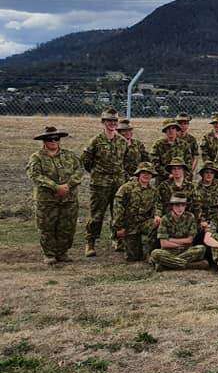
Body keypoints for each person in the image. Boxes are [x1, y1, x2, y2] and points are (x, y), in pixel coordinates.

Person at [27, 125, 83, 265]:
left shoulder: (69, 155)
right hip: (47, 200)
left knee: (67, 227)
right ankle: (50, 254)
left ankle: (62, 252)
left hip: (68, 199)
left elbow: (79, 171)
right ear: (44, 141)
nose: (53, 141)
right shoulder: (37, 157)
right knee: (47, 227)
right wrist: (55, 187)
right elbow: (35, 175)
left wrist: (68, 185)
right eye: (49, 139)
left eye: (56, 138)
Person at [81, 108, 127, 256]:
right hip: (100, 184)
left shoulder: (122, 141)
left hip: (118, 183)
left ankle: (117, 240)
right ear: (103, 122)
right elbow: (86, 161)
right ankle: (90, 243)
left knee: (118, 213)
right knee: (96, 215)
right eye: (109, 121)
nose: (112, 123)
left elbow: (125, 161)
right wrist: (98, 173)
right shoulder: (95, 141)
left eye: (115, 121)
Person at [112, 162, 162, 262]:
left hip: (145, 222)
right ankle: (125, 243)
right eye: (143, 173)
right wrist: (119, 227)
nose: (146, 175)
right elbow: (118, 208)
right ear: (138, 174)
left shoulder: (153, 191)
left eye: (149, 173)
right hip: (129, 225)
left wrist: (157, 215)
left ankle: (151, 252)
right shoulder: (126, 188)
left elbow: (158, 205)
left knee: (159, 225)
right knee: (133, 257)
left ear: (152, 175)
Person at [149, 195, 207, 271]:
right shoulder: (165, 219)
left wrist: (169, 239)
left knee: (201, 248)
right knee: (155, 253)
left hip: (186, 250)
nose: (180, 208)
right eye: (177, 205)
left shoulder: (190, 217)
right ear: (172, 206)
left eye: (183, 205)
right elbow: (164, 243)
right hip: (169, 251)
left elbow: (190, 240)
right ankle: (190, 265)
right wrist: (180, 245)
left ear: (186, 206)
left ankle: (166, 266)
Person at [195, 161, 218, 231]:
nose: (209, 175)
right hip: (201, 220)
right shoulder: (196, 187)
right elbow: (195, 207)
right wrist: (200, 220)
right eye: (207, 172)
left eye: (211, 173)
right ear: (202, 174)